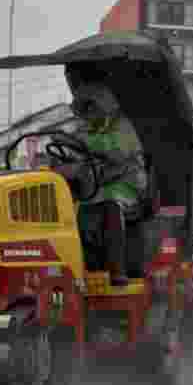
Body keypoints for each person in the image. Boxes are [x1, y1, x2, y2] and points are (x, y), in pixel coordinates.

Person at [65, 68, 149, 286]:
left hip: (127, 184)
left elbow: (117, 154)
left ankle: (117, 269)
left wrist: (83, 144)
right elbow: (74, 150)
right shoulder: (85, 128)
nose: (88, 113)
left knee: (111, 205)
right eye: (85, 108)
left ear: (104, 105)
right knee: (73, 209)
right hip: (98, 186)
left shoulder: (124, 126)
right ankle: (79, 267)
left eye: (91, 107)